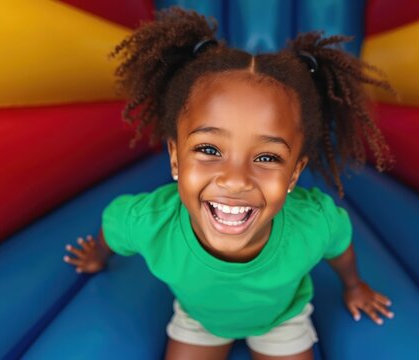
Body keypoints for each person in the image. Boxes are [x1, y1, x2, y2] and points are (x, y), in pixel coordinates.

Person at [64, 7, 395, 360]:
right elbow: (113, 227)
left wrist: (354, 286)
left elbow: (339, 247)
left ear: (294, 175)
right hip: (199, 321)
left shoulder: (313, 223)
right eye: (209, 149)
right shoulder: (150, 221)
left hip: (281, 320)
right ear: (176, 158)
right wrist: (96, 257)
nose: (236, 180)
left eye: (267, 158)